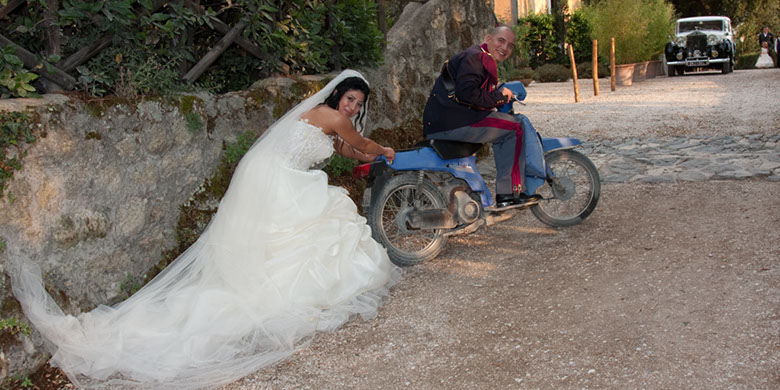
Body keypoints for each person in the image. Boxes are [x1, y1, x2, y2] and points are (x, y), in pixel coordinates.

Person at [10, 70, 399, 389]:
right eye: (350, 99)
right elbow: (360, 143)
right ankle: (280, 289)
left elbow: (348, 150)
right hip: (281, 178)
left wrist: (367, 151)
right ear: (337, 97)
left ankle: (276, 282)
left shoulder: (327, 121)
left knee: (293, 230)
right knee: (314, 217)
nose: (352, 106)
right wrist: (383, 151)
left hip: (276, 174)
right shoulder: (333, 118)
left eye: (358, 104)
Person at [422, 25, 542, 208]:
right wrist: (500, 96)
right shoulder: (477, 58)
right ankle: (508, 194)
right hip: (454, 122)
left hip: (444, 120)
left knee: (504, 126)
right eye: (501, 41)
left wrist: (498, 93)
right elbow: (467, 93)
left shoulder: (477, 56)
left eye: (510, 45)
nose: (505, 48)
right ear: (488, 39)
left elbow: (471, 90)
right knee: (515, 128)